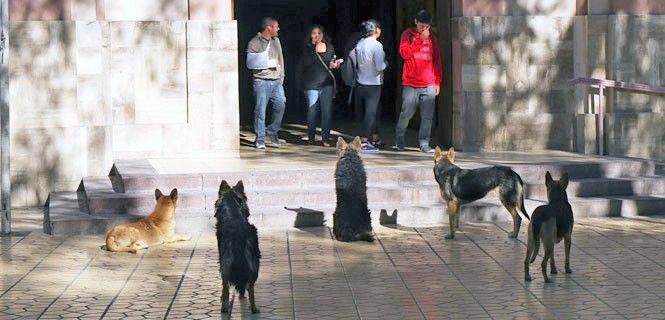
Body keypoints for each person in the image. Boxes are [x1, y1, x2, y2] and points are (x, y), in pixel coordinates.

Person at [394, 9, 442, 153]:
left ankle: (424, 143)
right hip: (411, 83)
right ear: (416, 22)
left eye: (427, 26)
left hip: (429, 83)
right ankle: (400, 135)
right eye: (422, 25)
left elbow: (437, 61)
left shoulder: (433, 38)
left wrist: (438, 81)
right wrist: (420, 39)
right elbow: (405, 54)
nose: (424, 28)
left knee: (427, 116)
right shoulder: (407, 35)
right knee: (406, 113)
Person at [297, 25, 341, 147]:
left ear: (323, 34)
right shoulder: (306, 48)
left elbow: (331, 61)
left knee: (327, 112)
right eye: (314, 33)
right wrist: (314, 49)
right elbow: (304, 64)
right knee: (312, 111)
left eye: (319, 33)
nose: (316, 35)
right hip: (311, 84)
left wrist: (335, 65)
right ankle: (311, 138)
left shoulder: (329, 47)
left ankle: (325, 139)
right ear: (310, 35)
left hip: (326, 83)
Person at [246, 17, 286, 149]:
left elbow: (281, 59)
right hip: (261, 81)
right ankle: (260, 138)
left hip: (276, 81)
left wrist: (281, 77)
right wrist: (267, 63)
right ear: (269, 28)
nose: (278, 29)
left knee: (281, 104)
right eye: (276, 26)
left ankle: (272, 130)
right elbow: (250, 63)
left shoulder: (277, 41)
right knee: (260, 110)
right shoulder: (254, 42)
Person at [349, 19, 388, 153]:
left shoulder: (360, 43)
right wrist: (386, 64)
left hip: (360, 82)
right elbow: (379, 66)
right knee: (370, 114)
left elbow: (352, 57)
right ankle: (364, 142)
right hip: (373, 84)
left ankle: (375, 138)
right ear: (377, 30)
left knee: (375, 111)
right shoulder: (376, 45)